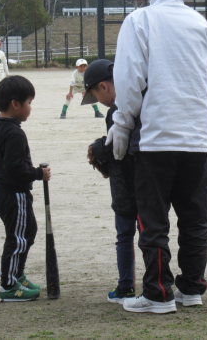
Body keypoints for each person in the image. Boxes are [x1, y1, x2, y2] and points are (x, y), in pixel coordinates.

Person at [108, 0, 207, 314]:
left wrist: (122, 124)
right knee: (194, 217)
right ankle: (192, 287)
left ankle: (158, 293)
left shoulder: (139, 21)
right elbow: (206, 67)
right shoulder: (200, 24)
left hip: (156, 138)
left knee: (154, 220)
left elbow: (129, 79)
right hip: (197, 137)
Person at [0, 75, 52, 301]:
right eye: (29, 103)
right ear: (15, 104)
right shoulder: (14, 133)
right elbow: (16, 168)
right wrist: (38, 174)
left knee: (27, 231)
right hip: (14, 193)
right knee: (18, 238)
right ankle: (9, 285)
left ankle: (17, 274)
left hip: (2, 191)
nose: (30, 108)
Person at [82, 59, 138, 304]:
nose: (98, 101)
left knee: (125, 236)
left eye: (95, 95)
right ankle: (158, 283)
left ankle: (126, 287)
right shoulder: (139, 101)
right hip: (150, 184)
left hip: (125, 188)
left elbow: (118, 150)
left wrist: (97, 148)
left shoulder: (116, 111)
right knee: (153, 234)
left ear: (103, 86)